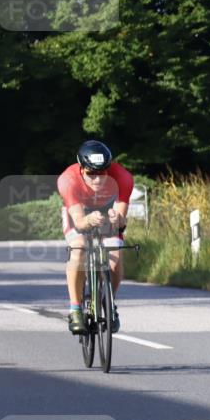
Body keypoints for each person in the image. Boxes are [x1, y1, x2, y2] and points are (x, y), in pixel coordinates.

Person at [57, 140, 134, 334]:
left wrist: (117, 219)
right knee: (79, 248)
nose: (97, 180)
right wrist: (88, 220)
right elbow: (79, 222)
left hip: (107, 211)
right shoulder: (67, 180)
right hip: (79, 213)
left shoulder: (123, 178)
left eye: (102, 173)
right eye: (91, 174)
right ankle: (75, 309)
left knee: (115, 257)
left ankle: (108, 302)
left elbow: (121, 221)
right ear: (81, 169)